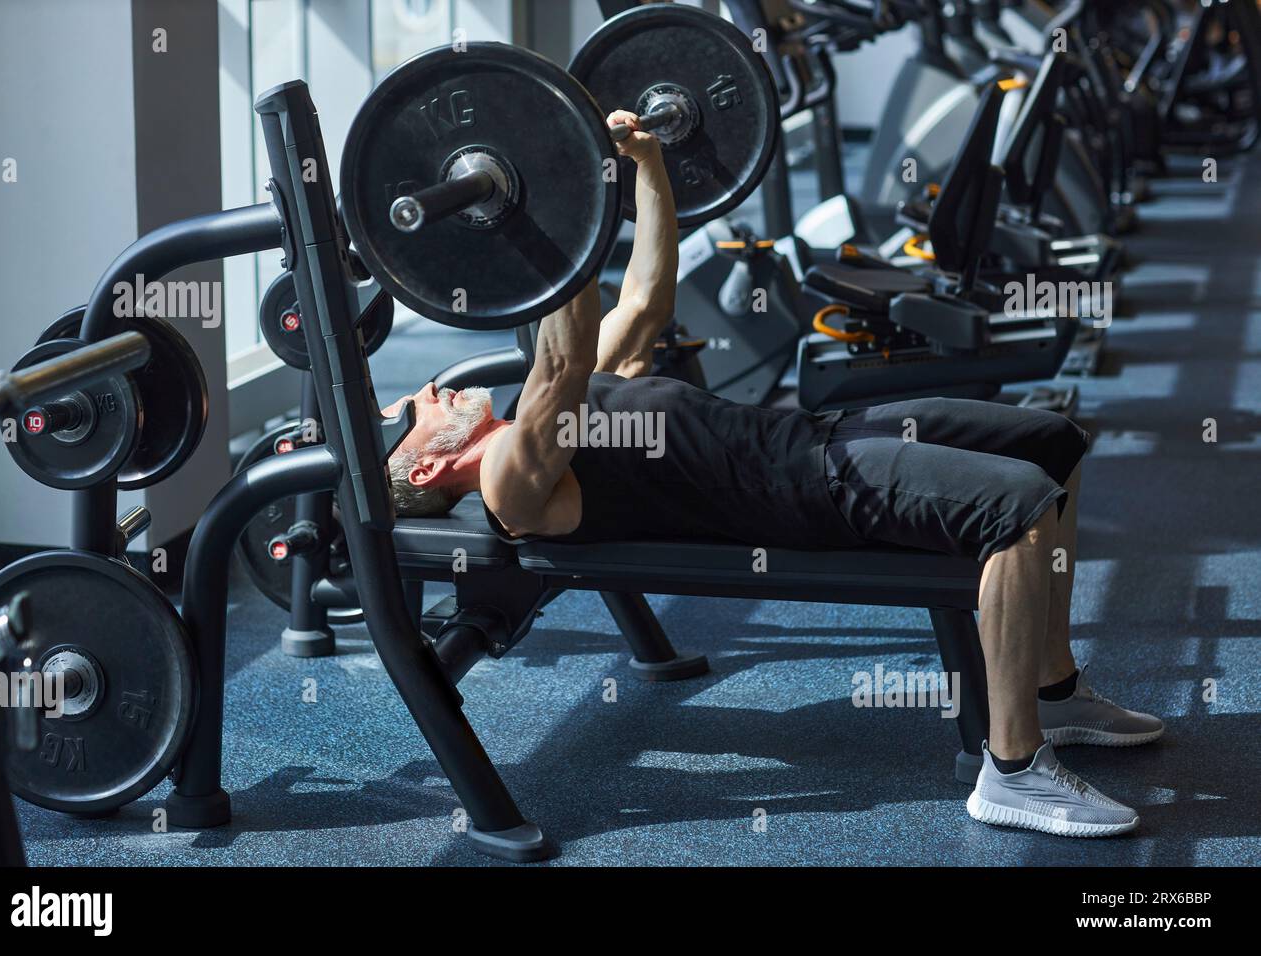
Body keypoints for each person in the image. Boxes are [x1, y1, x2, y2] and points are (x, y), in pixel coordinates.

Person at [383, 111, 1162, 837]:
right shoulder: (511, 486)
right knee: (1016, 509)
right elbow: (563, 356)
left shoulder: (529, 413)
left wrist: (647, 166)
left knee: (1052, 442)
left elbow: (647, 301)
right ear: (428, 462)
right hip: (799, 492)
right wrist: (564, 198)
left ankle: (1052, 693)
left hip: (814, 435)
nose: (425, 390)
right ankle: (1014, 770)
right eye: (411, 411)